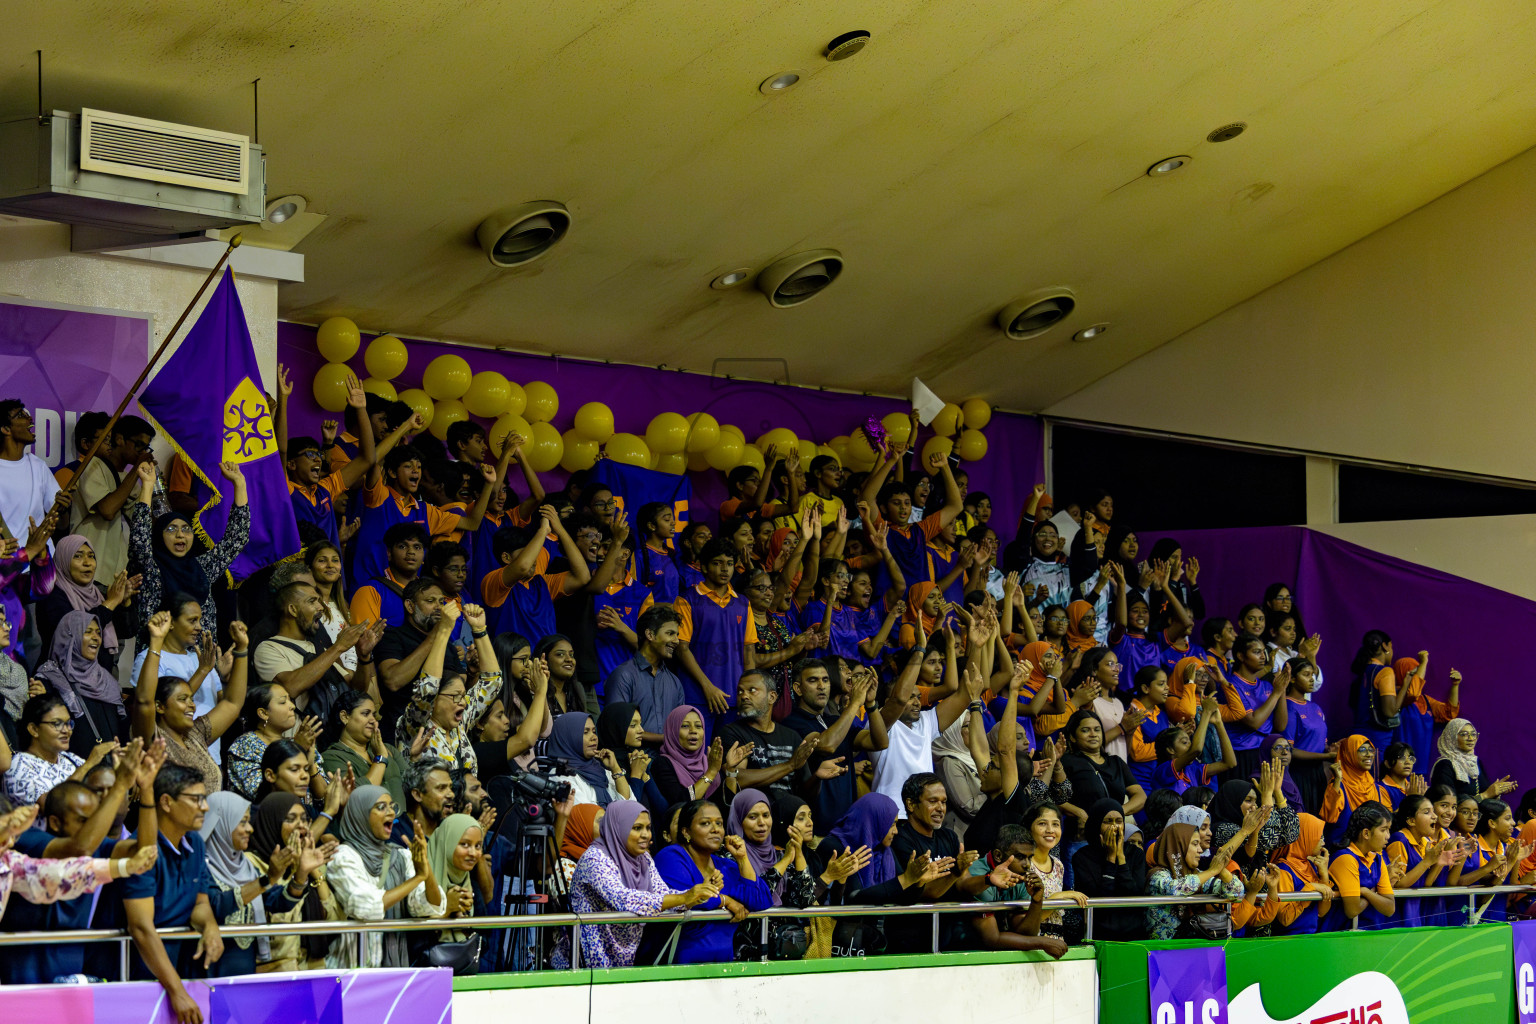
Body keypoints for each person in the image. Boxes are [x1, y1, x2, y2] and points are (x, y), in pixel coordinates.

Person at [1, 737, 164, 984]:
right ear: (55, 822)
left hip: (70, 976)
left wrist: (148, 789)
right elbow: (79, 848)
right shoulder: (30, 842)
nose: (95, 827)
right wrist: (120, 785)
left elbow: (144, 851)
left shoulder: (96, 847)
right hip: (23, 977)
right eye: (83, 820)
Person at [553, 799, 718, 969]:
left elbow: (663, 895)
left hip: (624, 961)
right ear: (617, 828)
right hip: (582, 966)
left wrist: (697, 895)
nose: (646, 834)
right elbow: (623, 899)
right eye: (637, 828)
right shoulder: (595, 858)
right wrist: (684, 897)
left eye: (648, 828)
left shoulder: (643, 858)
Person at [122, 765, 226, 1022]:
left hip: (175, 969)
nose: (205, 807)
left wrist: (211, 926)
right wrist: (177, 991)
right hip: (131, 976)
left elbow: (199, 902)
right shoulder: (141, 849)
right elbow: (141, 927)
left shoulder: (196, 843)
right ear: (166, 802)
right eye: (196, 799)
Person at [129, 459, 250, 645]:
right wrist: (147, 485)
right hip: (160, 662)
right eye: (171, 529)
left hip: (202, 662)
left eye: (186, 529)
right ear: (158, 537)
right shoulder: (151, 569)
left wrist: (239, 483)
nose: (180, 535)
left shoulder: (202, 567)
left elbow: (236, 539)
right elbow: (139, 538)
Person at [197, 792, 315, 977]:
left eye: (248, 822)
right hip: (209, 974)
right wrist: (267, 879)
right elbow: (215, 905)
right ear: (222, 824)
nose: (250, 829)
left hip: (246, 973)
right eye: (242, 822)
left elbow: (277, 903)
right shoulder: (200, 866)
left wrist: (300, 876)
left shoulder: (245, 867)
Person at [325, 784, 444, 968]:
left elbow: (430, 908)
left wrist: (425, 866)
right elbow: (366, 907)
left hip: (395, 969)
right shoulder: (342, 856)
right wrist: (417, 877)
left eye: (392, 807)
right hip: (350, 971)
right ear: (361, 815)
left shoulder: (400, 856)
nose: (391, 813)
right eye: (381, 807)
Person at [134, 612, 249, 793]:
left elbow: (232, 704)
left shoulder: (196, 734)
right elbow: (143, 700)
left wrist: (241, 649)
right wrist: (156, 641)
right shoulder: (154, 739)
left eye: (191, 698)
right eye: (182, 699)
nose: (192, 705)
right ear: (160, 706)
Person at [651, 799, 774, 963]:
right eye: (705, 823)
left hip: (722, 965)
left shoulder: (725, 864)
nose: (716, 829)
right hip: (677, 965)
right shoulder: (671, 856)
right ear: (686, 832)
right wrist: (726, 900)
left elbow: (761, 901)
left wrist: (743, 858)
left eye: (719, 823)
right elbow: (684, 898)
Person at [251, 581, 376, 729]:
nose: (321, 607)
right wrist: (338, 647)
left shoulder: (319, 649)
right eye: (312, 601)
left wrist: (364, 657)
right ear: (292, 610)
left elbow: (355, 690)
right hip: (298, 744)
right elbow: (290, 687)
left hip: (329, 742)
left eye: (319, 601)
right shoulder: (269, 648)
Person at [782, 660, 889, 831]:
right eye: (813, 680)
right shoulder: (792, 723)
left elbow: (880, 742)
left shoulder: (834, 721)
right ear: (798, 688)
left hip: (845, 826)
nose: (821, 686)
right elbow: (826, 745)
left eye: (825, 680)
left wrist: (870, 704)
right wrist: (854, 704)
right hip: (815, 829)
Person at [398, 603, 503, 773]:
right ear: (435, 700)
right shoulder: (415, 724)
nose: (462, 702)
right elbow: (428, 687)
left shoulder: (459, 725)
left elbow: (492, 683)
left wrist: (479, 630)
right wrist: (444, 630)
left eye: (463, 696)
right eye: (455, 696)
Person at [674, 539, 759, 728]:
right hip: (697, 696)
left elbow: (749, 650)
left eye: (729, 564)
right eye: (717, 563)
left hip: (734, 697)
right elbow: (681, 648)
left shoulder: (743, 603)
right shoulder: (687, 599)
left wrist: (750, 691)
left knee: (732, 755)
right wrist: (708, 686)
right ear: (703, 567)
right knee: (698, 755)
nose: (724, 569)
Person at [720, 670, 838, 799]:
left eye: (752, 690)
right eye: (740, 692)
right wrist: (789, 765)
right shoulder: (732, 732)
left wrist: (817, 777)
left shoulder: (791, 736)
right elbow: (736, 778)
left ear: (772, 697)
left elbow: (806, 794)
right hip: (757, 815)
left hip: (790, 815)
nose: (744, 696)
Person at [372, 579, 463, 745]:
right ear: (410, 606)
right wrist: (436, 634)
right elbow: (393, 680)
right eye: (430, 601)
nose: (439, 607)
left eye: (441, 602)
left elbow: (459, 688)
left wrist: (473, 672)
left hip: (443, 735)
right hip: (402, 735)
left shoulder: (447, 646)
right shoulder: (393, 637)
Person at [68, 413, 155, 583]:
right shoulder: (91, 465)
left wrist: (151, 488)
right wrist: (136, 468)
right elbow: (107, 510)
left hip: (115, 574)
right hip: (89, 571)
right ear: (120, 439)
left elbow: (143, 524)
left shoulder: (127, 480)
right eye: (139, 446)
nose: (142, 453)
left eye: (146, 448)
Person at [36, 534, 136, 671]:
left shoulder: (97, 592)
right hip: (64, 680)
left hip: (98, 680)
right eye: (78, 556)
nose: (87, 562)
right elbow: (76, 632)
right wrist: (111, 602)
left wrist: (124, 602)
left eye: (91, 556)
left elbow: (127, 631)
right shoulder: (52, 595)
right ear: (63, 559)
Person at [35, 611, 129, 755]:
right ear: (69, 637)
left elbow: (120, 729)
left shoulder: (107, 680)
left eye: (98, 633)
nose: (96, 638)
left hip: (112, 768)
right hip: (73, 769)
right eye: (88, 632)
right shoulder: (50, 679)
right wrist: (42, 702)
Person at [4, 694, 116, 807]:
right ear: (34, 729)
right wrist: (89, 764)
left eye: (68, 723)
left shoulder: (70, 759)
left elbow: (102, 794)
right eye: (57, 724)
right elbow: (50, 806)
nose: (66, 730)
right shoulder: (18, 765)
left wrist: (120, 767)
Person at [1058, 708, 1146, 841]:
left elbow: (1140, 795)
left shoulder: (1116, 762)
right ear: (1072, 737)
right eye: (1085, 730)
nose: (1093, 734)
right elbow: (1053, 798)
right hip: (1081, 837)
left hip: (1115, 835)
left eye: (1097, 729)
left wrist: (1117, 812)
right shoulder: (1066, 762)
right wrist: (1079, 812)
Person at [1145, 822, 1242, 940]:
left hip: (1193, 948)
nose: (1200, 850)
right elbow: (1175, 889)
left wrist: (1221, 870)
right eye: (1195, 844)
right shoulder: (1157, 875)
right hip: (1162, 953)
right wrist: (1212, 871)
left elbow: (1237, 892)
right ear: (1179, 846)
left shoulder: (1197, 875)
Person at [604, 605, 688, 742]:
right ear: (650, 635)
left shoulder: (674, 682)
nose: (676, 641)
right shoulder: (623, 675)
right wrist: (667, 739)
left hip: (668, 758)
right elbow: (617, 727)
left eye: (677, 635)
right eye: (670, 633)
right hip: (631, 758)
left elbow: (680, 727)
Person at [1070, 798, 1147, 940]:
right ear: (1096, 824)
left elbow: (1134, 895)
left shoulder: (1136, 854)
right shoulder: (1081, 857)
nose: (1114, 827)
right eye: (1108, 821)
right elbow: (1100, 901)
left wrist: (1121, 859)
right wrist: (1111, 859)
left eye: (1119, 821)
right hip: (1099, 934)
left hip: (1134, 933)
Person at [320, 690, 409, 811]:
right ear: (344, 717)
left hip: (402, 826)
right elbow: (358, 798)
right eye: (365, 714)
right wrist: (381, 759)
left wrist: (412, 758)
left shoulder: (388, 749)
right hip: (367, 828)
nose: (373, 720)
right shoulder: (332, 757)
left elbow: (412, 787)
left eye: (374, 715)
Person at [226, 683, 318, 800]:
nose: (292, 706)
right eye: (283, 702)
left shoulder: (301, 742)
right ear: (263, 713)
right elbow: (258, 793)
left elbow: (325, 796)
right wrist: (296, 749)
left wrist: (311, 767)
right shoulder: (245, 745)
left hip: (306, 816)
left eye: (290, 700)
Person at [1016, 802, 1089, 941]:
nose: (1050, 830)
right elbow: (1026, 919)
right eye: (1042, 823)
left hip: (1057, 940)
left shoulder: (1058, 865)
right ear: (1028, 828)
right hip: (1031, 942)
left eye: (1055, 824)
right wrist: (1059, 897)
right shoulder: (1022, 865)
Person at [1385, 794, 1457, 928]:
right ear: (1411, 821)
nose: (1434, 816)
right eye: (1427, 812)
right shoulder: (1399, 840)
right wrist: (1426, 862)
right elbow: (1398, 885)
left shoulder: (1425, 842)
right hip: (1399, 917)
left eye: (1433, 812)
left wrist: (1439, 863)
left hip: (1417, 913)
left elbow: (1427, 883)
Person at [1324, 801, 1396, 931]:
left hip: (1371, 933)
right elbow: (1352, 910)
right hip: (1340, 935)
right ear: (1366, 834)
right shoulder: (1345, 858)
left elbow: (1390, 908)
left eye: (1388, 830)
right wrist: (1374, 892)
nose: (1388, 837)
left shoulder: (1377, 859)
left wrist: (1365, 891)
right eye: (1383, 830)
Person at [0, 401, 62, 551]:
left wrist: (63, 507)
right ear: (6, 429)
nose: (30, 418)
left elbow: (59, 520)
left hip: (43, 564)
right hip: (9, 565)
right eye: (21, 415)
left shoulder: (38, 465)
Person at [1390, 654, 1460, 773]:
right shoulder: (1395, 696)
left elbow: (1449, 713)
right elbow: (1412, 693)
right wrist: (1424, 662)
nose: (1418, 677)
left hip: (1421, 767)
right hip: (1399, 767)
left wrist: (1455, 685)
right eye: (1413, 674)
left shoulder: (1425, 700)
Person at [421, 813, 486, 941]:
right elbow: (413, 939)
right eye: (465, 844)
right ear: (447, 843)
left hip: (463, 960)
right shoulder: (419, 879)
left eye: (478, 846)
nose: (473, 853)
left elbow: (484, 939)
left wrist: (465, 924)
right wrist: (448, 908)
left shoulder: (471, 886)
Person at [348, 523, 428, 627]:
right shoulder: (371, 591)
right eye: (402, 546)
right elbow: (364, 641)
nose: (411, 552)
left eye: (417, 547)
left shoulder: (430, 592)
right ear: (389, 553)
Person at [1269, 813, 1335, 935]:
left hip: (1309, 939)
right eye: (1319, 837)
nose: (1323, 843)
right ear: (1305, 836)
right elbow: (1285, 919)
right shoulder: (1283, 870)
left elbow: (1321, 912)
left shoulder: (1310, 866)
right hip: (1288, 942)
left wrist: (1324, 876)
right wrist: (1311, 888)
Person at [546, 712, 630, 807]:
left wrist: (616, 768)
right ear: (568, 738)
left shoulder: (601, 771)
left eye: (594, 731)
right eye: (585, 732)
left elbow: (630, 806)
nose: (594, 737)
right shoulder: (560, 776)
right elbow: (590, 818)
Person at [1324, 735, 1394, 848]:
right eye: (1362, 750)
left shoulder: (1376, 788)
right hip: (1342, 852)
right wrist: (1337, 780)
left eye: (1370, 750)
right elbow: (1329, 818)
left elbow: (1386, 823)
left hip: (1370, 853)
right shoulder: (1338, 785)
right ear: (1348, 754)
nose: (1369, 754)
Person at [1429, 718, 1517, 802]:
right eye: (1464, 734)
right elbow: (1448, 805)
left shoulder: (1475, 762)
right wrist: (1486, 795)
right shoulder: (1444, 765)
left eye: (1473, 734)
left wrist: (1497, 791)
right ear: (1451, 737)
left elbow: (1481, 795)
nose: (1471, 738)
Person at [1349, 630, 1402, 754]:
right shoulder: (1385, 672)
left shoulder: (1362, 671)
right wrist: (1405, 686)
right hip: (1376, 738)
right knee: (1374, 772)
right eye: (1391, 646)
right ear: (1384, 646)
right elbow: (1390, 711)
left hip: (1357, 734)